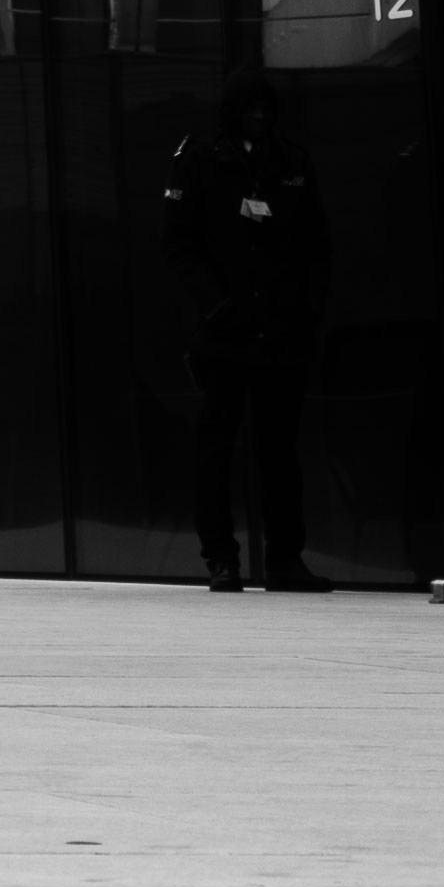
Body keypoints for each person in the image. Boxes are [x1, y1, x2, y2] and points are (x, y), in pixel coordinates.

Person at [161, 75, 330, 592]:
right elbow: (179, 243)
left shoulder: (291, 161)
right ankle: (221, 557)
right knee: (216, 447)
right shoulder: (201, 159)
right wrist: (217, 306)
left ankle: (285, 559)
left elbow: (314, 243)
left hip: (279, 332)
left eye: (267, 108)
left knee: (280, 452)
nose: (259, 116)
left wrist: (303, 311)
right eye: (250, 108)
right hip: (226, 334)